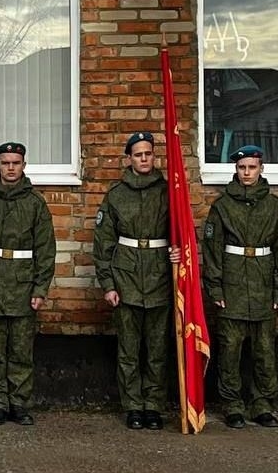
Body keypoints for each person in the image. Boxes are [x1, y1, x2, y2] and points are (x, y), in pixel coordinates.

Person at [0, 141, 56, 426]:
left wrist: (40, 289)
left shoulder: (35, 203)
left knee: (21, 351)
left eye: (16, 162)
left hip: (23, 284)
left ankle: (20, 405)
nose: (11, 168)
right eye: (6, 163)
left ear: (24, 165)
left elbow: (46, 249)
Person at [93, 132, 181, 430]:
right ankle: (133, 406)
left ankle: (153, 406)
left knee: (157, 351)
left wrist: (179, 254)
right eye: (138, 154)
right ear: (128, 158)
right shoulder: (116, 195)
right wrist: (108, 284)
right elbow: (103, 243)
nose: (145, 159)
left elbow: (182, 233)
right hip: (126, 277)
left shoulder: (169, 192)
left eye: (149, 153)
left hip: (159, 277)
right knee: (129, 350)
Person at [202, 144, 278, 429]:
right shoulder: (222, 206)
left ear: (261, 169)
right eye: (242, 168)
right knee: (230, 350)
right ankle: (232, 405)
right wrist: (215, 288)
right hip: (232, 287)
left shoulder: (275, 207)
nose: (247, 173)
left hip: (263, 286)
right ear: (236, 170)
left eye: (252, 167)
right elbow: (212, 249)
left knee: (264, 351)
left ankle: (262, 404)